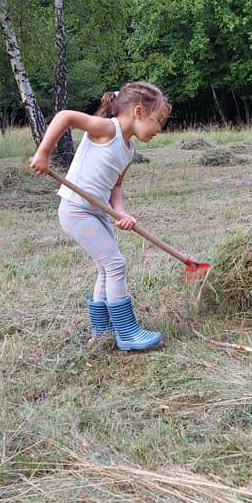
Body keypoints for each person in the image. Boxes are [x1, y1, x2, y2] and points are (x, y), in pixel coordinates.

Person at [29, 81, 171, 351]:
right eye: (158, 121)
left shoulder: (129, 149)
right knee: (116, 265)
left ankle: (102, 330)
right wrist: (43, 153)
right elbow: (65, 116)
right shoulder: (108, 129)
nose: (159, 129)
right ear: (138, 112)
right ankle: (127, 332)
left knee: (107, 269)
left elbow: (116, 186)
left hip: (98, 211)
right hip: (76, 210)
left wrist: (121, 213)